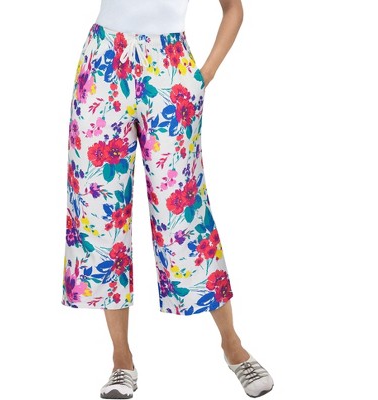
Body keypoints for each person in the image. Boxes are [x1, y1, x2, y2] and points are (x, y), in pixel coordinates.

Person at [61, 0, 274, 398]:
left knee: (186, 208)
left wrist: (204, 75)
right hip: (104, 61)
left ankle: (233, 346)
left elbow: (233, 9)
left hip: (170, 66)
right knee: (100, 211)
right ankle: (121, 361)